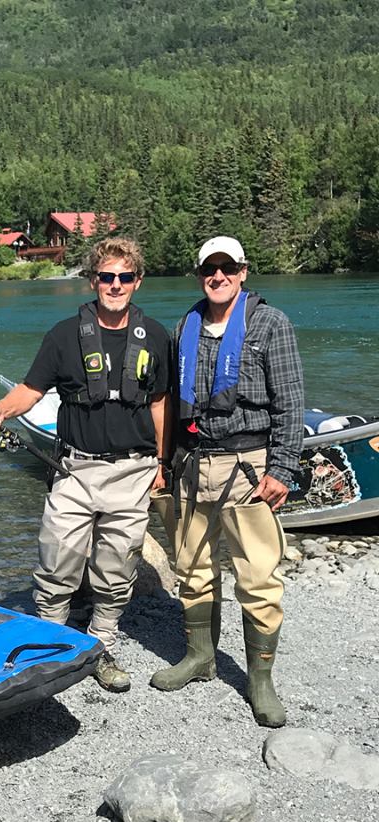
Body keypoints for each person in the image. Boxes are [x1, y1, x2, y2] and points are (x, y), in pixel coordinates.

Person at [0, 237, 171, 692]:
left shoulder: (157, 336)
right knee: (57, 561)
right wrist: (2, 410)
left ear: (137, 282)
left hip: (134, 470)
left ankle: (99, 645)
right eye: (107, 276)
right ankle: (51, 645)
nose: (116, 285)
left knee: (117, 566)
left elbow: (161, 404)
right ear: (93, 281)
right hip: (74, 471)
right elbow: (31, 389)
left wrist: (162, 462)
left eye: (125, 277)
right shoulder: (63, 335)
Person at [150, 236, 303, 728]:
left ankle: (260, 679)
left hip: (249, 467)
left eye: (227, 267)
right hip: (194, 465)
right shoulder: (185, 325)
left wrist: (283, 468)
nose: (217, 276)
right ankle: (200, 656)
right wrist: (163, 461)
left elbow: (291, 401)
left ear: (243, 272)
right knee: (192, 568)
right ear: (199, 274)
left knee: (258, 578)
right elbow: (173, 401)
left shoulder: (271, 323)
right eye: (208, 268)